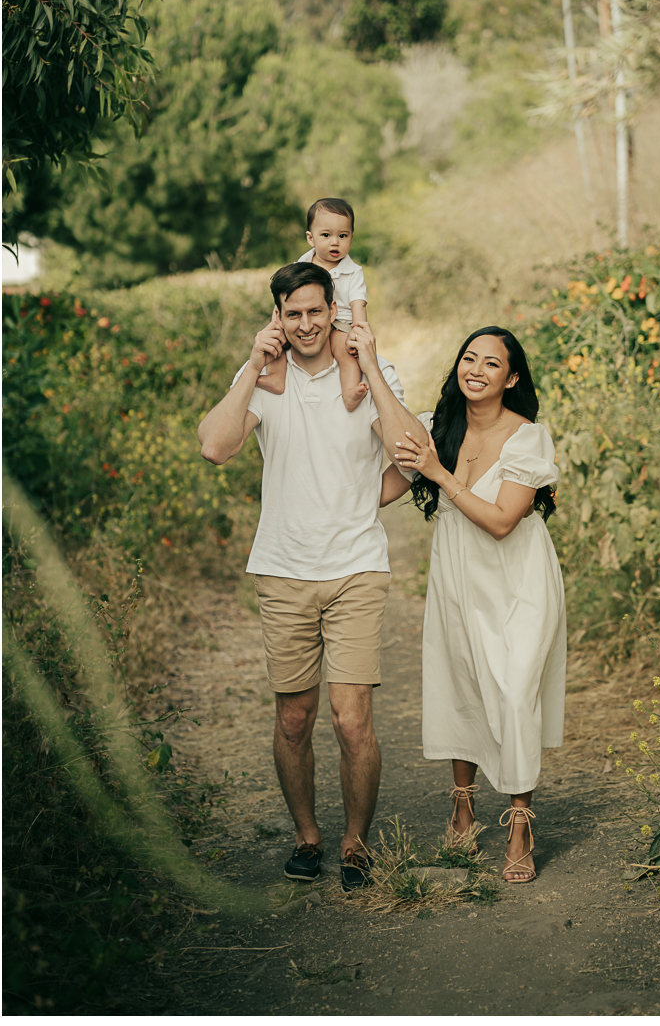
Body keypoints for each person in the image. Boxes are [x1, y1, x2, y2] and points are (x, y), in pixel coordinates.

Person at [197, 261, 427, 892]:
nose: (305, 324)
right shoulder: (265, 382)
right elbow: (216, 446)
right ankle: (307, 837)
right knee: (294, 719)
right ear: (278, 317)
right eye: (291, 314)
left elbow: (415, 453)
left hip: (356, 568)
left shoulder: (369, 377)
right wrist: (251, 365)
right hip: (283, 569)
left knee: (351, 720)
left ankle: (356, 844)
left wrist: (373, 367)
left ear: (334, 311)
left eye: (315, 312)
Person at [379, 326, 566, 883]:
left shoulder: (527, 436)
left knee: (513, 691)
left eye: (491, 363)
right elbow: (388, 476)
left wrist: (438, 472)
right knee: (461, 682)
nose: (476, 369)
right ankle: (462, 804)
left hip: (517, 577)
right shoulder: (443, 428)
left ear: (511, 379)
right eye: (468, 358)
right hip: (459, 569)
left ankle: (519, 823)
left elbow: (505, 522)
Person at [256, 197, 369, 412]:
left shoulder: (353, 272)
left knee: (345, 354)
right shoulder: (301, 265)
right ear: (311, 238)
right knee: (278, 342)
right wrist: (277, 321)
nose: (334, 242)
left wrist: (359, 331)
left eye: (342, 236)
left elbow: (358, 304)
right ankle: (276, 378)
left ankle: (349, 393)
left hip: (341, 324)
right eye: (326, 235)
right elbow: (287, 296)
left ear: (351, 238)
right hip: (308, 317)